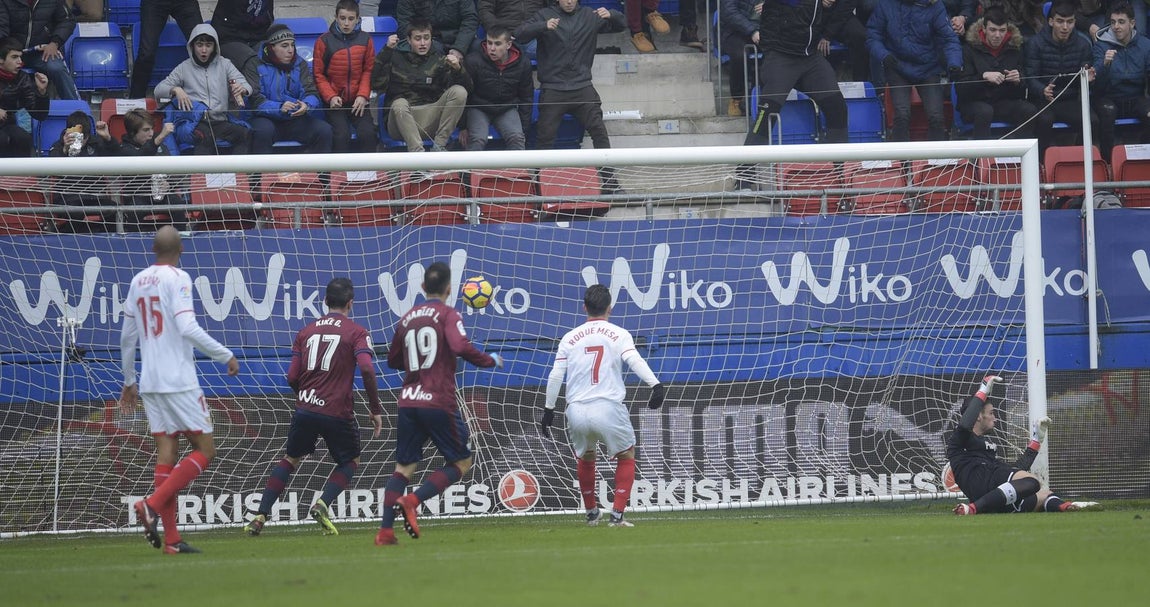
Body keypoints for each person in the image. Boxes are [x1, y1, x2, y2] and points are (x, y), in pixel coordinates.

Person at [121, 225, 241, 554]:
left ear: (152, 249)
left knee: (167, 453)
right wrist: (224, 354)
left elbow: (127, 336)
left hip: (150, 382)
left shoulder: (137, 281)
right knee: (206, 449)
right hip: (178, 380)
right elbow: (187, 327)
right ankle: (152, 503)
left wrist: (129, 380)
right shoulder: (179, 278)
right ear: (182, 249)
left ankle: (172, 541)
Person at [375, 261, 503, 546]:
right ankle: (413, 501)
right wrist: (489, 360)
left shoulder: (407, 317)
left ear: (422, 287)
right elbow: (459, 346)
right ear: (449, 289)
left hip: (408, 401)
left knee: (403, 468)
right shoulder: (448, 314)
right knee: (461, 460)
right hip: (437, 400)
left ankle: (385, 532)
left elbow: (392, 360)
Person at [245, 278, 383, 537]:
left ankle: (260, 516)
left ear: (325, 301)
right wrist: (375, 408)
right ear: (350, 303)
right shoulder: (357, 332)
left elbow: (291, 377)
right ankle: (322, 503)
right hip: (337, 411)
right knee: (350, 461)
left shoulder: (305, 332)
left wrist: (308, 398)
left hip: (305, 408)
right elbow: (366, 367)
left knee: (290, 459)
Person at [539, 284, 665, 528]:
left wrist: (548, 409)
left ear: (584, 307)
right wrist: (655, 385)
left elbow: (556, 375)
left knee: (586, 456)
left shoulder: (568, 338)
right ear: (610, 308)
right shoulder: (619, 334)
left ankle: (591, 514)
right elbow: (634, 360)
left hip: (576, 409)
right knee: (626, 455)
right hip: (608, 407)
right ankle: (616, 516)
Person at [949, 375, 1099, 514]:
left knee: (1045, 494)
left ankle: (1066, 507)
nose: (995, 418)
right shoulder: (961, 439)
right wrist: (983, 390)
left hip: (994, 499)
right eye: (991, 413)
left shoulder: (987, 447)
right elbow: (964, 425)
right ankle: (974, 509)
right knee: (1032, 482)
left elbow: (1015, 470)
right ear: (978, 416)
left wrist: (1036, 442)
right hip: (982, 490)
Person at [515, 0, 625, 151]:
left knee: (600, 133)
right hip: (553, 89)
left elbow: (621, 26)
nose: (569, 1)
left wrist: (612, 14)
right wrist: (542, 26)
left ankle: (607, 175)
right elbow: (519, 34)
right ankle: (540, 175)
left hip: (582, 87)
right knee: (544, 139)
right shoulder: (544, 15)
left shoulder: (588, 15)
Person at [745, 0, 849, 145]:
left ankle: (839, 166)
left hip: (811, 57)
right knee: (767, 115)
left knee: (837, 107)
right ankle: (745, 167)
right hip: (781, 54)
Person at [867, 0, 963, 142]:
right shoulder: (885, 4)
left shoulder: (935, 6)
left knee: (936, 116)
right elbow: (873, 36)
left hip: (928, 67)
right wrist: (884, 55)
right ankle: (901, 162)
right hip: (896, 66)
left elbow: (950, 39)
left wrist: (954, 62)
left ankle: (935, 160)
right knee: (901, 115)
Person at [370, 19, 472, 152]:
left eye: (426, 38)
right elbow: (374, 82)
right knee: (399, 103)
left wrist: (458, 69)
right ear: (408, 40)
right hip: (400, 121)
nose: (423, 43)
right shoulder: (395, 58)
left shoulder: (439, 60)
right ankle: (418, 156)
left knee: (459, 91)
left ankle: (439, 145)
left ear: (431, 39)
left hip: (429, 116)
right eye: (418, 39)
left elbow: (468, 89)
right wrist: (386, 50)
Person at [154, 24, 253, 155]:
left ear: (215, 46)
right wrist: (175, 89)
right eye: (200, 45)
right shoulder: (183, 68)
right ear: (192, 46)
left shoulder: (225, 64)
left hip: (219, 120)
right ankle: (200, 175)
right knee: (205, 136)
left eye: (208, 45)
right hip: (193, 123)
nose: (204, 50)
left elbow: (247, 86)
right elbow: (158, 91)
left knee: (245, 134)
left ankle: (240, 174)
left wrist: (242, 89)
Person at [955, 7, 1050, 143]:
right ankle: (981, 160)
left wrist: (1019, 80)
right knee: (985, 111)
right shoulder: (968, 49)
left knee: (1028, 109)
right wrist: (983, 77)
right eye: (993, 30)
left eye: (1002, 31)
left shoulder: (1015, 48)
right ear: (984, 28)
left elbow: (1022, 92)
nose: (998, 35)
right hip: (974, 104)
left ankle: (1020, 158)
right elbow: (961, 89)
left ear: (1007, 30)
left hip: (1002, 102)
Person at [1023, 2, 1097, 151]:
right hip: (1042, 100)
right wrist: (1042, 90)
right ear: (1051, 21)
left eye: (1070, 22)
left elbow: (1084, 77)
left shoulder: (1083, 45)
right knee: (1045, 120)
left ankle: (1080, 161)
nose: (1065, 27)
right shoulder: (1035, 43)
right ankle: (1041, 164)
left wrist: (1086, 80)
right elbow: (1029, 77)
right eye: (1060, 21)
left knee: (1092, 121)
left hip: (1068, 100)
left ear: (1075, 22)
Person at [250, 23, 333, 155]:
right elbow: (256, 101)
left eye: (292, 45)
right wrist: (279, 107)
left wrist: (306, 105)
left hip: (295, 117)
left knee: (324, 130)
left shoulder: (300, 64)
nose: (291, 50)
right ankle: (259, 176)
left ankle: (320, 175)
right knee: (261, 132)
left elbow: (312, 92)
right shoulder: (255, 64)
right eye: (284, 46)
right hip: (267, 119)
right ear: (272, 47)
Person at [314, 0, 379, 153]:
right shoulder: (324, 41)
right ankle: (339, 176)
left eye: (351, 19)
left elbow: (368, 70)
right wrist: (330, 97)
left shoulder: (366, 39)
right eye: (342, 18)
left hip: (358, 100)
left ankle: (368, 174)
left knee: (368, 134)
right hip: (335, 102)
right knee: (341, 136)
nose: (346, 23)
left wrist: (363, 95)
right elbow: (318, 74)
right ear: (336, 18)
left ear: (357, 19)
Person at [463, 25, 533, 150]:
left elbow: (526, 97)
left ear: (508, 45)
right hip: (479, 107)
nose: (492, 49)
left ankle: (516, 170)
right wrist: (462, 126)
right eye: (489, 43)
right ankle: (467, 170)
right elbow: (464, 95)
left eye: (497, 44)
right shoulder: (472, 61)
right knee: (478, 139)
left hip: (506, 107)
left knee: (517, 137)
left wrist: (524, 129)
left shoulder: (523, 63)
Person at [1092, 3, 1150, 153]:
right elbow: (1096, 85)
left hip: (1135, 97)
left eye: (1121, 22)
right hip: (1108, 98)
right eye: (1113, 22)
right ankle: (1108, 162)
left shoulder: (1145, 45)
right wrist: (1105, 65)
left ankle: (1144, 158)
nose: (1116, 26)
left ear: (1132, 23)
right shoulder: (1101, 46)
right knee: (1107, 112)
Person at [47, 110, 116, 232]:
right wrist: (64, 149)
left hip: (94, 196)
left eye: (84, 137)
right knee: (76, 214)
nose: (81, 141)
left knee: (112, 210)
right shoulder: (58, 146)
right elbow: (52, 169)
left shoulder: (96, 143)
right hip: (68, 198)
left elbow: (117, 158)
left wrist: (108, 139)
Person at [0, 0, 79, 100]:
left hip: (42, 52)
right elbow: (1, 28)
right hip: (12, 52)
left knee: (57, 68)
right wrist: (6, 50)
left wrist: (55, 43)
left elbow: (67, 20)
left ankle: (74, 109)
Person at [118, 109, 180, 231]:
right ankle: (132, 245)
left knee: (179, 206)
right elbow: (140, 160)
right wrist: (160, 137)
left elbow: (173, 172)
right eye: (146, 130)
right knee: (134, 212)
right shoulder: (124, 149)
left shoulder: (161, 147)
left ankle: (182, 240)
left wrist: (169, 184)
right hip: (139, 196)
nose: (151, 134)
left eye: (152, 129)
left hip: (163, 195)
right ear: (132, 132)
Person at [129, 0, 204, 98]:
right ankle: (136, 102)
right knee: (147, 53)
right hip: (154, 3)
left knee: (202, 44)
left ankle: (207, 97)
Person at [0, 36, 49, 158]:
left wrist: (41, 92)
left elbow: (39, 115)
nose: (20, 62)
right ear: (1, 59)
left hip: (6, 125)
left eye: (20, 57)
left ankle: (20, 176)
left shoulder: (23, 78)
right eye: (14, 57)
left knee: (22, 138)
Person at [719, 0, 761, 117]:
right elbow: (729, 12)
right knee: (740, 55)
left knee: (777, 53)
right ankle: (737, 99)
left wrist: (772, 7)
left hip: (765, 30)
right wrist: (752, 31)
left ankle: (760, 98)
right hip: (734, 32)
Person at [396, 0, 480, 59]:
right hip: (429, 39)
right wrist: (424, 40)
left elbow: (470, 19)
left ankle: (470, 84)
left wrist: (459, 48)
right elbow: (405, 24)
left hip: (458, 37)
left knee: (479, 46)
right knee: (433, 48)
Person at [478, 0, 548, 56]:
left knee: (555, 50)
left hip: (535, 37)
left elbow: (552, 8)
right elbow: (485, 9)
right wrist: (499, 33)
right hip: (505, 37)